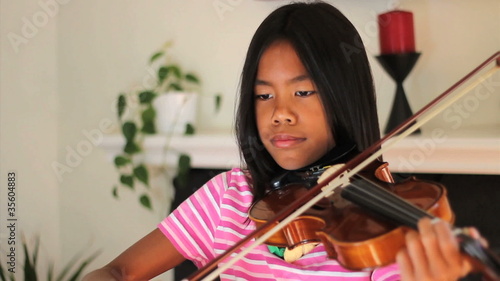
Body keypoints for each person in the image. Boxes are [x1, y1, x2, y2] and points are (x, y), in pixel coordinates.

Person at [84, 2, 480, 280]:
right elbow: (118, 272)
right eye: (263, 94)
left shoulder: (380, 229)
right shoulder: (229, 199)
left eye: (303, 92)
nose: (280, 113)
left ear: (343, 95)